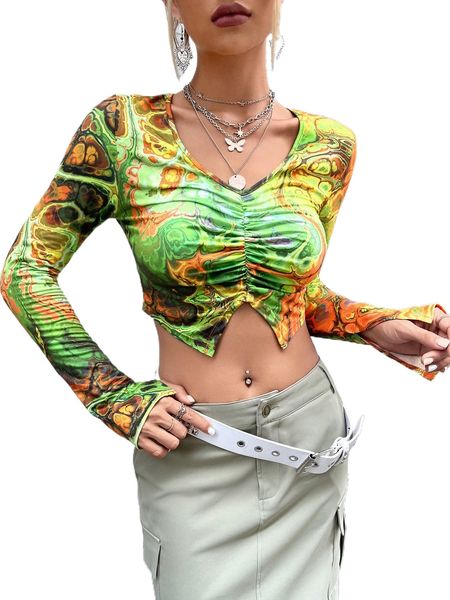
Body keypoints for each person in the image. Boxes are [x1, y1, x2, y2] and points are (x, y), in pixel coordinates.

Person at [1, 1, 449, 598]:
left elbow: (285, 290)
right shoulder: (121, 130)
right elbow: (26, 268)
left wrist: (372, 323)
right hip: (193, 444)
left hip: (307, 434)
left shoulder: (330, 146)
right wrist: (111, 395)